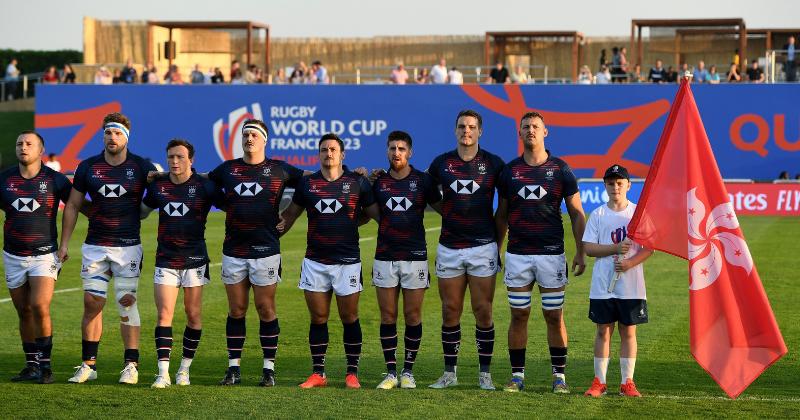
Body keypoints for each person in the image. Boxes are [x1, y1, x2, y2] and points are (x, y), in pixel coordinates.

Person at [59, 112, 156, 384]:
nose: (111, 138)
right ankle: (88, 365)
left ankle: (131, 365)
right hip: (95, 246)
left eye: (116, 133)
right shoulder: (88, 166)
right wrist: (64, 243)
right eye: (107, 133)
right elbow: (74, 205)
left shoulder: (141, 166)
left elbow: (162, 195)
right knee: (92, 303)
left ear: (126, 137)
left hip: (128, 247)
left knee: (127, 303)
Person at [208, 118, 306, 387]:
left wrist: (350, 174)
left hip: (266, 250)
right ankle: (233, 368)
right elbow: (203, 183)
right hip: (234, 250)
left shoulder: (280, 169)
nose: (249, 138)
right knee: (236, 310)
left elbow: (313, 182)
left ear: (265, 140)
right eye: (245, 134)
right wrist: (160, 176)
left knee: (266, 309)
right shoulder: (227, 170)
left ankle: (268, 369)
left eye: (254, 135)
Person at [279, 133, 380, 389]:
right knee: (318, 318)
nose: (328, 153)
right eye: (324, 149)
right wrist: (268, 229)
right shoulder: (308, 184)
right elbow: (288, 216)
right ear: (319, 153)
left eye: (333, 149)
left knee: (350, 317)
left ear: (342, 154)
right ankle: (318, 373)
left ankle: (352, 373)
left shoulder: (357, 182)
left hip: (347, 261)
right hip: (315, 261)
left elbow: (374, 214)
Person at [496, 111, 586, 394]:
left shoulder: (561, 169)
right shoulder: (509, 171)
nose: (531, 130)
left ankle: (559, 377)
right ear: (519, 134)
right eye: (526, 127)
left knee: (554, 316)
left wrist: (581, 252)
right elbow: (501, 215)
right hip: (518, 254)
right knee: (518, 315)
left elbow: (576, 213)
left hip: (551, 254)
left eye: (536, 126)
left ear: (546, 132)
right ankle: (517, 376)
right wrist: (495, 250)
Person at [427, 110, 505, 390]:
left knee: (483, 310)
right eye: (461, 126)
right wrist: (446, 211)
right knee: (450, 310)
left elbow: (506, 208)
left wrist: (498, 245)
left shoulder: (494, 164)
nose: (466, 131)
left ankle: (485, 375)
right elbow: (424, 191)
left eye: (472, 127)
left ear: (480, 132)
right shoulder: (441, 163)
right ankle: (450, 373)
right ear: (455, 130)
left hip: (483, 247)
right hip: (449, 247)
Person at [141, 139, 222, 388]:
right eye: (171, 157)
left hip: (195, 259)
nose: (175, 162)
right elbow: (141, 212)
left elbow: (233, 207)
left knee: (193, 315)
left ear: (191, 160)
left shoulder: (205, 187)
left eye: (180, 157)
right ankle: (163, 372)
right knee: (164, 315)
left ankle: (184, 369)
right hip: (166, 258)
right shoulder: (158, 187)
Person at [370, 131, 442, 389]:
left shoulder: (423, 181)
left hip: (415, 257)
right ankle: (390, 372)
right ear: (387, 151)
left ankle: (408, 372)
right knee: (388, 316)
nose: (396, 153)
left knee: (412, 316)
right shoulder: (377, 182)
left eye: (401, 148)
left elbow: (446, 209)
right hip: (385, 256)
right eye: (392, 148)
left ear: (410, 152)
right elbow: (367, 214)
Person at [1, 131, 72, 384]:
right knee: (23, 311)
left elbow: (75, 207)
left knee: (40, 306)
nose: (23, 147)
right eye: (19, 143)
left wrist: (64, 244)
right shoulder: (5, 178)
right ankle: (31, 365)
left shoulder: (55, 180)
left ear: (41, 150)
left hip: (44, 254)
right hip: (12, 255)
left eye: (29, 144)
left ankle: (46, 367)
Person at [582, 164, 653, 398]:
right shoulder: (599, 215)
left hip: (631, 285)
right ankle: (599, 382)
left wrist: (630, 263)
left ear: (628, 185)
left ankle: (627, 382)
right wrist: (614, 248)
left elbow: (649, 247)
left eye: (620, 183)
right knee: (603, 330)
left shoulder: (637, 214)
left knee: (628, 332)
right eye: (611, 183)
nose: (615, 187)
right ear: (605, 186)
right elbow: (589, 248)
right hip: (603, 285)